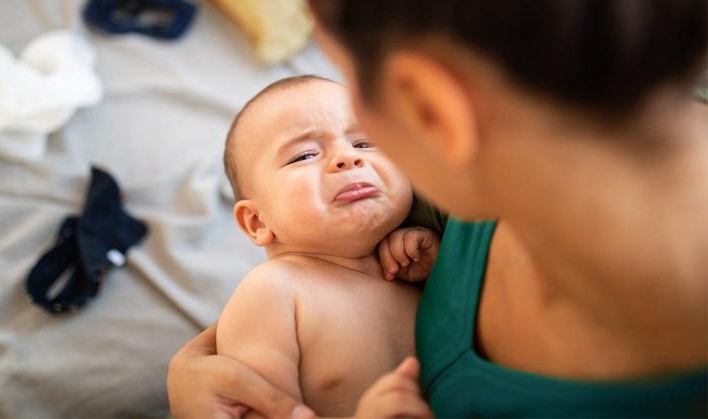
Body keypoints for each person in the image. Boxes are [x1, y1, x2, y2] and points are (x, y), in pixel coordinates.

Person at [168, 1, 708, 417]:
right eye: (307, 152)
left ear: (432, 109)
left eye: (361, 130)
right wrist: (198, 366)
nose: (348, 162)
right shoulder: (437, 199)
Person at [216, 75, 439, 417]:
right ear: (257, 222)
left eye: (364, 143)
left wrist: (438, 272)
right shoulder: (273, 292)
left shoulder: (415, 268)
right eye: (304, 155)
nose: (347, 158)